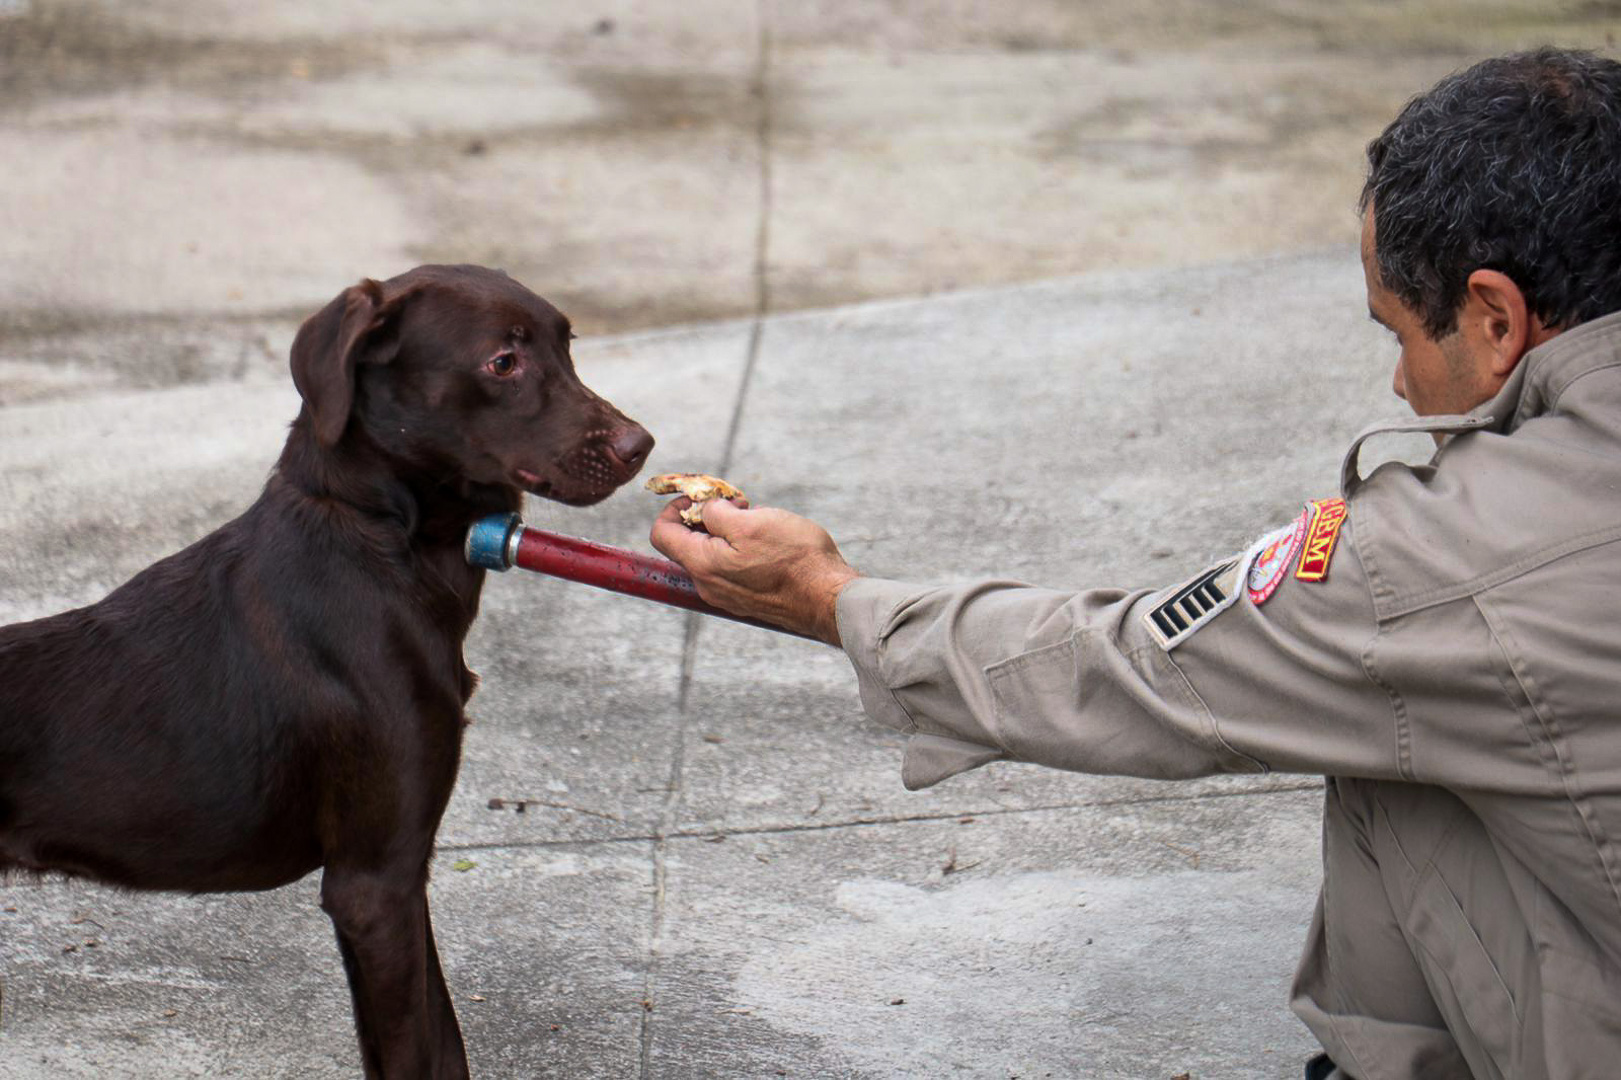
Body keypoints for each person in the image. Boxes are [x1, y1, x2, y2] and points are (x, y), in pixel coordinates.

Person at [651, 48, 1621, 1080]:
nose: (1397, 382)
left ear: (1495, 317)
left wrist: (825, 598)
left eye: (1399, 334)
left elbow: (1132, 668)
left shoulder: (1447, 562)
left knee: (1400, 729)